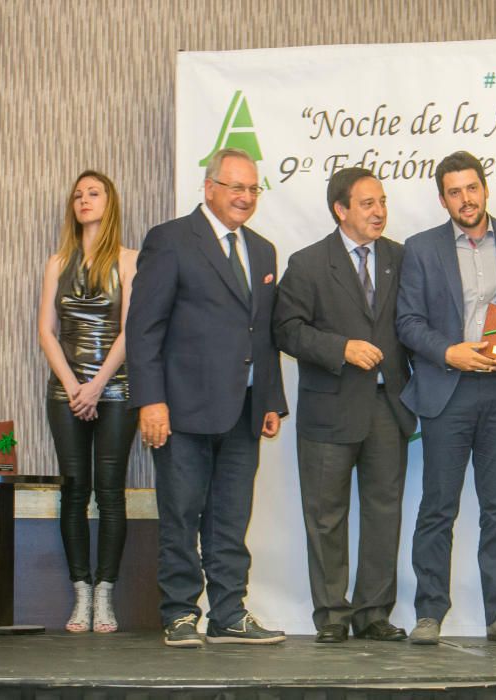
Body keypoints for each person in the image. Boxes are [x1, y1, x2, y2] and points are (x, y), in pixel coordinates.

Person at [126, 148, 288, 648]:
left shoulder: (263, 250)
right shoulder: (170, 241)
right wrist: (150, 401)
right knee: (182, 513)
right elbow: (143, 328)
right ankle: (178, 613)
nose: (244, 197)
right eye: (234, 186)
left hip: (243, 409)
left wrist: (270, 400)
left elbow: (262, 333)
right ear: (209, 187)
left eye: (252, 189)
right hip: (181, 409)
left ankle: (228, 613)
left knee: (232, 516)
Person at [396, 151, 496, 644]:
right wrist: (450, 353)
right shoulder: (420, 248)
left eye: (472, 188)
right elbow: (407, 323)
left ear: (485, 189)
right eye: (454, 191)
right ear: (442, 198)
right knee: (437, 508)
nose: (465, 199)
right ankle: (429, 613)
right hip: (449, 391)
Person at [273, 168, 416, 643]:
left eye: (382, 202)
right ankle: (332, 615)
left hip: (387, 406)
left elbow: (413, 324)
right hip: (330, 407)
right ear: (341, 209)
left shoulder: (401, 258)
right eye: (368, 203)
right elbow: (286, 330)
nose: (379, 212)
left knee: (383, 511)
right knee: (326, 514)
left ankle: (373, 613)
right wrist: (341, 348)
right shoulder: (309, 262)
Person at [38, 170, 138, 633]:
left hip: (115, 389)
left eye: (93, 193)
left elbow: (130, 331)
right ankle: (81, 593)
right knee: (75, 491)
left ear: (109, 202)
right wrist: (74, 385)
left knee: (110, 492)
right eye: (77, 194)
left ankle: (106, 594)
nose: (84, 200)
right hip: (65, 391)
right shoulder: (57, 262)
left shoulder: (129, 260)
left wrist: (96, 385)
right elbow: (46, 331)